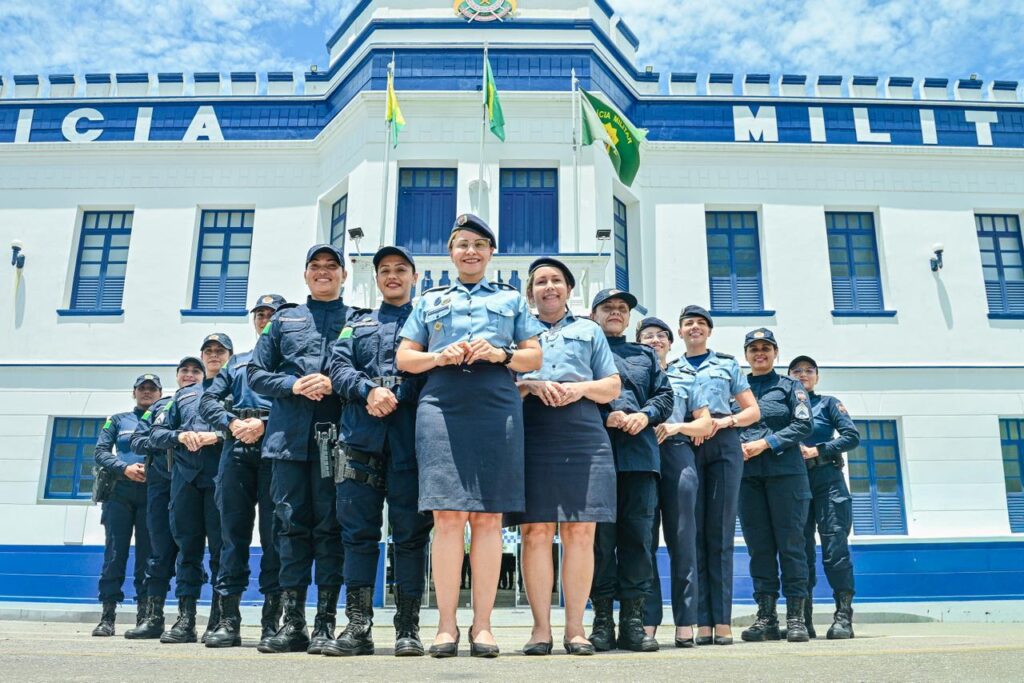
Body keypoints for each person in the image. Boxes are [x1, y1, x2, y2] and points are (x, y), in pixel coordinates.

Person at [396, 214, 543, 658]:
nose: (471, 251)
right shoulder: (429, 300)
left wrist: (502, 353)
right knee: (446, 517)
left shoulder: (512, 299)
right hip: (442, 405)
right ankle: (445, 626)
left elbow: (534, 356)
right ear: (451, 252)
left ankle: (482, 626)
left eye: (479, 244)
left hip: (496, 405)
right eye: (462, 244)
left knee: (488, 519)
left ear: (491, 252)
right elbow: (405, 358)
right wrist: (438, 356)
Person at [322, 246, 433, 658]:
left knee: (410, 536)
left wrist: (397, 393)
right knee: (357, 536)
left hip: (411, 444)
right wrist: (369, 390)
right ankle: (358, 628)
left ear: (413, 276)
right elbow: (338, 368)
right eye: (384, 270)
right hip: (359, 441)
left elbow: (435, 372)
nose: (392, 276)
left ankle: (408, 628)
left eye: (400, 270)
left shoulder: (428, 323)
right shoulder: (356, 324)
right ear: (376, 278)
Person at [510, 258, 621, 656]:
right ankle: (541, 629)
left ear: (569, 290)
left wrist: (580, 390)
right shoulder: (518, 333)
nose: (549, 287)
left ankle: (576, 628)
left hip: (582, 430)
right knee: (535, 532)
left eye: (556, 280)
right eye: (540, 282)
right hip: (533, 430)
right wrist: (530, 384)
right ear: (531, 292)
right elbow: (504, 383)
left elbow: (611, 386)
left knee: (580, 532)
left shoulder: (589, 330)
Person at [249, 245, 355, 654]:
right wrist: (292, 385)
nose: (324, 272)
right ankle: (292, 623)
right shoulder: (283, 321)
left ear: (344, 275)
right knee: (290, 530)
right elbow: (257, 373)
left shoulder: (357, 322)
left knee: (330, 530)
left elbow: (363, 372)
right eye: (316, 267)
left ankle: (325, 624)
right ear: (306, 275)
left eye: (332, 267)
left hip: (338, 440)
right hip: (288, 441)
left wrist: (336, 383)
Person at [588, 290, 674, 653]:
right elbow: (571, 392)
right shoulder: (584, 349)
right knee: (600, 543)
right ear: (593, 314)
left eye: (622, 309)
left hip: (640, 459)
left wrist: (645, 415)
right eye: (608, 308)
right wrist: (603, 416)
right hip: (595, 456)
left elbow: (664, 396)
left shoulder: (645, 355)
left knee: (639, 541)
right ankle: (603, 618)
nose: (616, 313)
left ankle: (634, 619)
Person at [199, 294, 288, 648]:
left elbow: (299, 403)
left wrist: (264, 425)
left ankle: (272, 621)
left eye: (272, 315)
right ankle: (228, 620)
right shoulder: (237, 364)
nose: (265, 320)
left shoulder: (290, 362)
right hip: (236, 450)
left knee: (275, 538)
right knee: (231, 537)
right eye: (260, 315)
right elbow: (207, 400)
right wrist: (232, 422)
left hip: (275, 450)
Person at [675, 305, 760, 645]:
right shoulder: (670, 367)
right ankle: (700, 620)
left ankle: (720, 619)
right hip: (687, 445)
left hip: (723, 443)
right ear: (679, 332)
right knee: (691, 533)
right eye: (688, 323)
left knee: (720, 534)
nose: (694, 327)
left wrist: (724, 422)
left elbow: (752, 410)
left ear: (709, 332)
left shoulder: (726, 364)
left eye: (700, 323)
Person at [636, 317, 714, 647]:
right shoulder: (633, 375)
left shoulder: (687, 376)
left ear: (671, 342)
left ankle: (686, 622)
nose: (654, 340)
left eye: (660, 336)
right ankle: (648, 621)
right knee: (644, 543)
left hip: (678, 456)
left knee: (684, 542)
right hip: (642, 455)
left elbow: (706, 424)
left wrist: (677, 428)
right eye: (647, 336)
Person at [150, 336, 231, 644]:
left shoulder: (236, 389)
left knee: (222, 553)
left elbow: (247, 425)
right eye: (208, 351)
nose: (214, 356)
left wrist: (215, 436)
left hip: (221, 479)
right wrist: (182, 435)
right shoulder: (182, 397)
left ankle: (219, 619)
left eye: (219, 351)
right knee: (188, 550)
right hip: (184, 480)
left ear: (228, 356)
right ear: (202, 356)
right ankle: (185, 619)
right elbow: (157, 433)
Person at [737, 328, 814, 643]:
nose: (759, 353)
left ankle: (796, 618)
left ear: (775, 353)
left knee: (791, 546)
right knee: (760, 549)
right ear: (746, 355)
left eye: (765, 348)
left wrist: (766, 443)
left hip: (786, 476)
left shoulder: (790, 386)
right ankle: (766, 617)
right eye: (753, 349)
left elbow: (803, 424)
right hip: (748, 478)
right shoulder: (737, 387)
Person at [125, 361, 203, 639]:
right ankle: (153, 617)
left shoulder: (208, 401)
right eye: (185, 372)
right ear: (177, 376)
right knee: (158, 552)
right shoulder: (162, 406)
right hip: (160, 485)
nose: (189, 376)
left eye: (195, 372)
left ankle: (187, 618)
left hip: (194, 484)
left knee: (190, 550)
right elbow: (137, 440)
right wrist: (171, 440)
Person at [788, 355, 860, 639]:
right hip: (794, 483)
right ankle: (802, 619)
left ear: (816, 377)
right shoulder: (784, 406)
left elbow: (851, 436)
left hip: (827, 480)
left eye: (809, 370)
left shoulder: (828, 403)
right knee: (799, 552)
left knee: (834, 549)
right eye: (797, 371)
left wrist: (818, 449)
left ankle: (843, 616)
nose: (803, 374)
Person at [90, 374, 161, 637]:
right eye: (142, 388)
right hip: (119, 493)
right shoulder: (118, 420)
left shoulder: (164, 418)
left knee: (148, 557)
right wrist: (125, 468)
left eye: (152, 389)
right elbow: (100, 452)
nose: (147, 393)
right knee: (114, 554)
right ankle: (107, 616)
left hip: (151, 494)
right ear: (134, 393)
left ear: (159, 393)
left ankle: (144, 615)